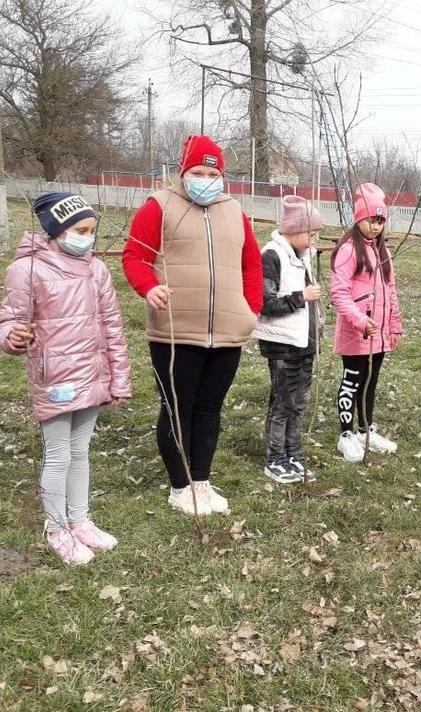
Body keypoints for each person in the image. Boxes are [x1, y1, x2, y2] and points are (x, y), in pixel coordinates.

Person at [122, 134, 263, 516]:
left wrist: (251, 308)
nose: (205, 178)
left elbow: (252, 264)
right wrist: (148, 288)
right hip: (175, 330)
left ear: (222, 176)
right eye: (197, 172)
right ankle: (179, 486)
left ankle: (201, 480)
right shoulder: (160, 206)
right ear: (183, 173)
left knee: (208, 409)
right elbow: (135, 256)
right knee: (177, 409)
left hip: (228, 332)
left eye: (211, 172)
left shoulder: (234, 211)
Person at [0, 193, 131, 565]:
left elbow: (113, 328)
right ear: (56, 231)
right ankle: (56, 527)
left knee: (81, 451)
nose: (87, 238)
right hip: (55, 378)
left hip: (92, 376)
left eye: (91, 230)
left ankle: (80, 519)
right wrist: (12, 337)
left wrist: (118, 379)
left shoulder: (96, 270)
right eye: (80, 230)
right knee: (58, 456)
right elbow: (9, 320)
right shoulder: (27, 270)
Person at [251, 196, 323, 484]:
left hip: (304, 342)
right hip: (283, 344)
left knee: (299, 402)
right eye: (311, 233)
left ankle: (294, 453)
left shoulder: (302, 255)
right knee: (283, 402)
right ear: (294, 229)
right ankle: (275, 458)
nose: (314, 239)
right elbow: (263, 303)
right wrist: (300, 298)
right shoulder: (272, 256)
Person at [330, 183, 402, 463]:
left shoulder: (383, 252)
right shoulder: (349, 250)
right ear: (360, 218)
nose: (376, 226)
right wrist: (359, 320)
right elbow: (339, 293)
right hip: (356, 333)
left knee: (370, 382)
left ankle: (365, 429)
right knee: (352, 381)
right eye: (372, 219)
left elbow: (391, 290)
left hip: (379, 334)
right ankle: (346, 434)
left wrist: (394, 326)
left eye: (381, 221)